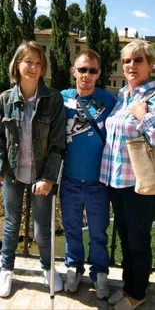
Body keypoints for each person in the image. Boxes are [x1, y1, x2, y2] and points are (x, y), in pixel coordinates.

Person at [0, 41, 66, 297]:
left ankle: (48, 268)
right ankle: (6, 269)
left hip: (41, 176)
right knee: (11, 223)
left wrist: (49, 177)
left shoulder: (53, 99)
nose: (34, 67)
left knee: (41, 227)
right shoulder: (5, 99)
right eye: (29, 61)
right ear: (17, 64)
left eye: (39, 63)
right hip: (13, 175)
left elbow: (58, 143)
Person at [100, 39, 155, 310]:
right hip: (115, 181)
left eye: (137, 60)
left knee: (139, 240)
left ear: (150, 65)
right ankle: (128, 285)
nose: (131, 65)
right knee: (125, 237)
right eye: (126, 61)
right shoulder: (122, 96)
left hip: (139, 184)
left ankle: (137, 293)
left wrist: (142, 117)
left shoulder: (151, 98)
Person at [60, 49, 117, 299]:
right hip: (70, 180)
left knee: (98, 231)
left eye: (92, 70)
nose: (86, 74)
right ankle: (74, 267)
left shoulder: (109, 99)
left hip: (98, 182)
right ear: (74, 71)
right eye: (82, 69)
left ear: (99, 73)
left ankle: (100, 272)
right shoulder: (61, 98)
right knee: (72, 228)